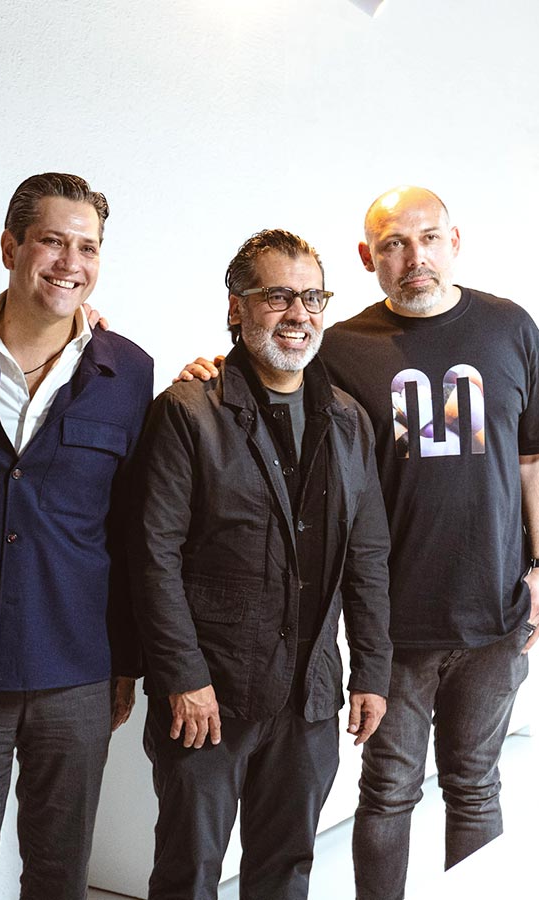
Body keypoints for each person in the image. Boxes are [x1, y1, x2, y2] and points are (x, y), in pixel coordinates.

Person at [176, 186, 539, 899]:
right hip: (394, 623)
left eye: (429, 238)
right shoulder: (340, 346)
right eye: (394, 243)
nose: (414, 256)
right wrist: (208, 369)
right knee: (389, 790)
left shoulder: (510, 328)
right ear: (368, 257)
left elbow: (538, 454)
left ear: (456, 242)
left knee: (476, 785)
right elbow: (270, 374)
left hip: (495, 612)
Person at [0, 172, 153, 900]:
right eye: (52, 242)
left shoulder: (128, 371)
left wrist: (127, 661)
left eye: (88, 247)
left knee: (59, 878)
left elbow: (133, 527)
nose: (71, 262)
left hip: (76, 670)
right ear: (11, 247)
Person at [133, 230, 392, 900]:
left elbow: (366, 556)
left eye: (312, 298)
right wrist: (183, 676)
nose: (298, 313)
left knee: (286, 871)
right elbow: (152, 557)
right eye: (277, 296)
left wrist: (371, 669)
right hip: (211, 696)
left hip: (310, 696)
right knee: (189, 873)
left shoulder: (348, 421)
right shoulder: (188, 412)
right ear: (237, 307)